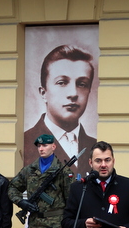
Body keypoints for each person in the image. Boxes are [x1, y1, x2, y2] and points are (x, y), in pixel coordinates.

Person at [24, 45, 96, 178]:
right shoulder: (27, 141)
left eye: (82, 84)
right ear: (43, 92)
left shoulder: (94, 146)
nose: (73, 93)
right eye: (62, 82)